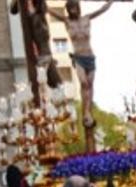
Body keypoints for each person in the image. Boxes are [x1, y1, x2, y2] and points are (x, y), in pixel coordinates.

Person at [47, 0, 115, 128]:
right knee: (83, 83)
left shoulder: (87, 18)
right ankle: (85, 112)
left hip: (90, 57)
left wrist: (110, 2)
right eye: (70, 8)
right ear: (68, 9)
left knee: (90, 84)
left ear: (78, 8)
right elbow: (50, 11)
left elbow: (102, 10)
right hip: (78, 57)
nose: (73, 10)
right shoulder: (67, 21)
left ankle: (88, 112)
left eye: (74, 7)